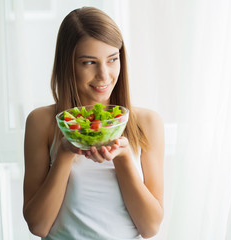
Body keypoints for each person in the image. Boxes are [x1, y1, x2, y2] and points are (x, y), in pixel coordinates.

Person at [23, 6, 164, 240]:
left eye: (112, 60)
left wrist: (124, 157)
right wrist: (65, 154)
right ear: (67, 65)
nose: (104, 75)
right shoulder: (42, 122)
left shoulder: (147, 123)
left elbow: (150, 228)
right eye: (89, 62)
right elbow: (38, 225)